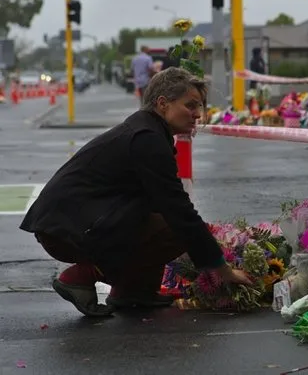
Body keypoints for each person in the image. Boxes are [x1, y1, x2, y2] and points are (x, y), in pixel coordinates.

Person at [19, 68, 252, 317]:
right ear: (163, 104)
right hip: (66, 231)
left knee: (162, 219)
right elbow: (178, 210)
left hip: (70, 224)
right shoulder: (147, 138)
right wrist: (221, 269)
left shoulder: (147, 131)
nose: (197, 114)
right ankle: (81, 276)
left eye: (199, 107)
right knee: (177, 228)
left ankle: (132, 292)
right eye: (190, 105)